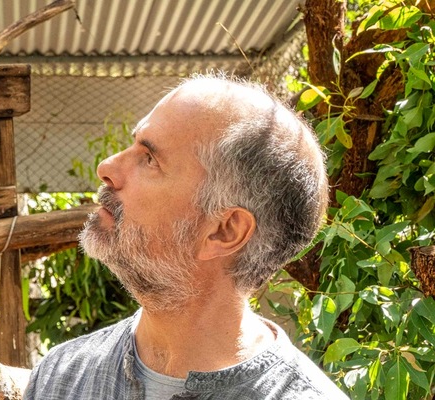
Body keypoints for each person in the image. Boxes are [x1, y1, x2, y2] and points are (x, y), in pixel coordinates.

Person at [24, 74, 349, 399]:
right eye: (133, 144)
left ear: (224, 231)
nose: (107, 167)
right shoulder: (60, 378)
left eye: (150, 159)